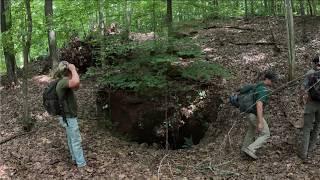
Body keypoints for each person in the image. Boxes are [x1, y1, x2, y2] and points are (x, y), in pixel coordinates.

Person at [55, 61, 86, 167]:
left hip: (67, 116)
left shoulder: (64, 81)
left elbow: (77, 87)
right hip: (69, 117)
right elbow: (76, 83)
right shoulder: (63, 82)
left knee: (71, 138)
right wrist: (73, 69)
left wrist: (73, 72)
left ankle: (74, 158)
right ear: (67, 70)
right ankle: (81, 164)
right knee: (76, 140)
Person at [241, 71, 277, 160]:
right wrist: (260, 122)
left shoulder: (257, 86)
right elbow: (259, 105)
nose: (274, 83)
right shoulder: (263, 90)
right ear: (268, 79)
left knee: (251, 131)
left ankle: (244, 150)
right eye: (273, 81)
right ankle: (251, 149)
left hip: (249, 113)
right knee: (266, 134)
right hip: (254, 114)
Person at [298, 55, 320, 160]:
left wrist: (301, 98)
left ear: (314, 63)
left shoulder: (310, 73)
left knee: (307, 128)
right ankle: (311, 150)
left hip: (310, 104)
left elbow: (303, 88)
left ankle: (304, 154)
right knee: (317, 127)